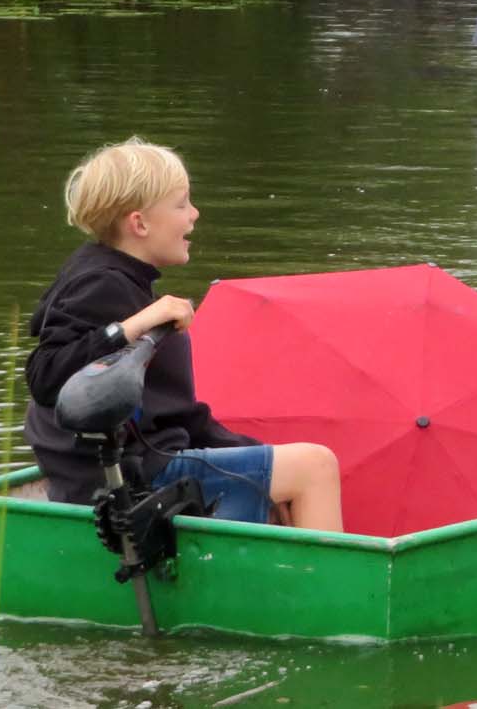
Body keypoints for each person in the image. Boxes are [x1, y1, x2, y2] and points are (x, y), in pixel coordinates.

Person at [21, 138, 344, 530]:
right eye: (181, 204)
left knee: (291, 466)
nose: (194, 214)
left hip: (146, 463)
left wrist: (266, 460)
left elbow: (181, 419)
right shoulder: (100, 284)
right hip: (132, 478)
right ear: (139, 223)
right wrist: (132, 326)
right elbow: (45, 377)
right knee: (316, 467)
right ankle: (329, 592)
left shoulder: (122, 281)